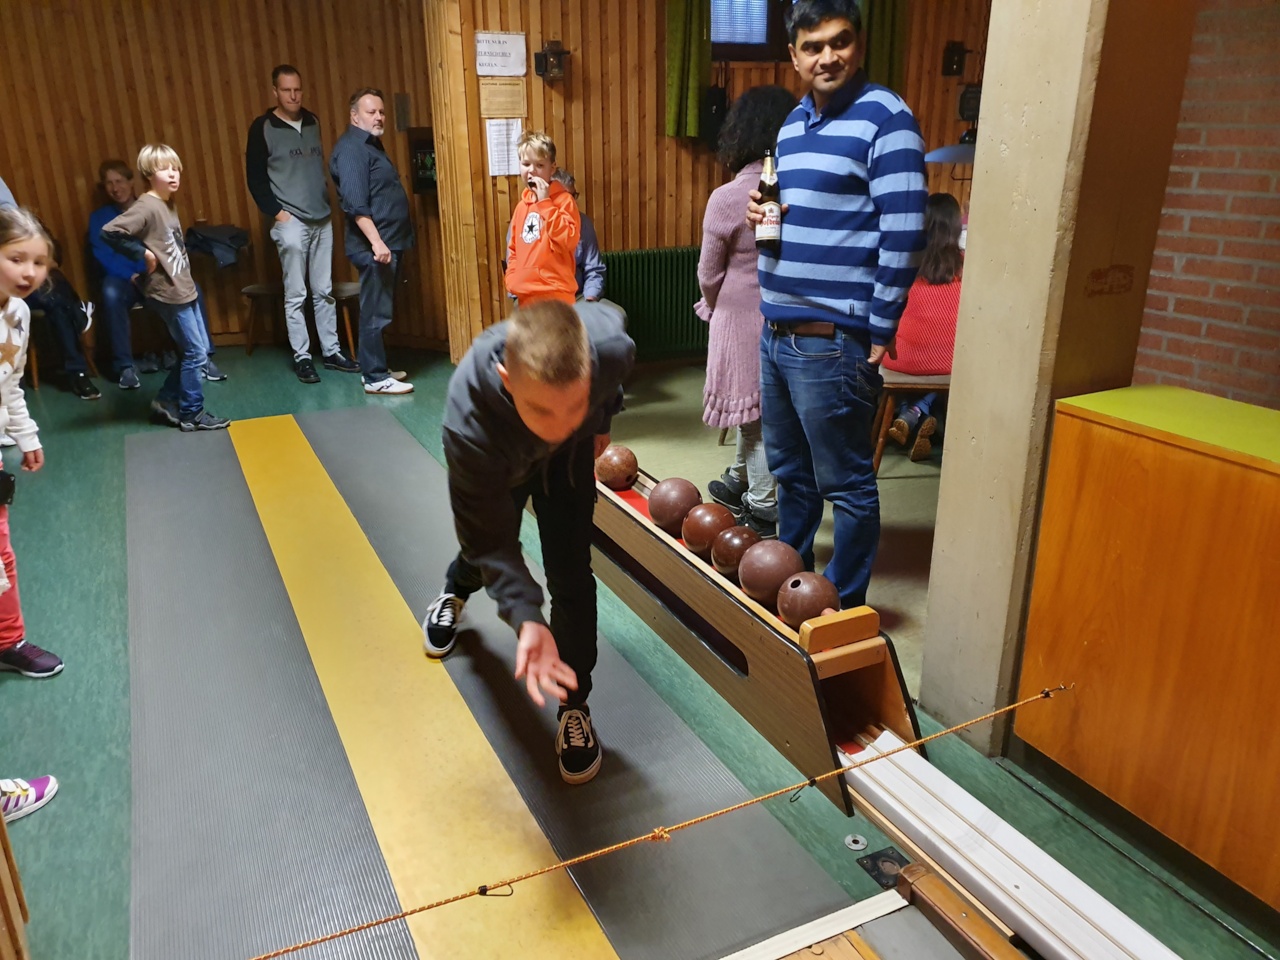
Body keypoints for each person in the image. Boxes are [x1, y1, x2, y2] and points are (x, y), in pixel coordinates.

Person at [747, 0, 927, 609]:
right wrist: (761, 216)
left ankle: (838, 609)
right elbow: (794, 214)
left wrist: (881, 325)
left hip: (831, 340)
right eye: (813, 46)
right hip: (775, 332)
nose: (827, 57)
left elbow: (905, 229)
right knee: (790, 476)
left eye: (839, 41)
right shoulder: (793, 124)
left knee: (846, 485)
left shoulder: (886, 117)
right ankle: (789, 591)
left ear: (860, 44)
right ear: (793, 57)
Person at [423, 300, 635, 785]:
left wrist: (600, 418)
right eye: (542, 409)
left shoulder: (608, 348)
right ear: (506, 378)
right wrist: (526, 616)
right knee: (482, 550)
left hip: (570, 463)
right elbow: (490, 540)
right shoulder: (468, 423)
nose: (558, 425)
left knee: (572, 573)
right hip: (505, 457)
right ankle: (455, 591)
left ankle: (574, 704)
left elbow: (612, 370)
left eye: (573, 406)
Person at [697, 85, 797, 540]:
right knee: (753, 403)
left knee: (753, 418)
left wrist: (713, 304)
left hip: (737, 314)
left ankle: (762, 508)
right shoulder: (795, 191)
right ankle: (739, 478)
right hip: (785, 313)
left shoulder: (727, 196)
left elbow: (708, 272)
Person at [101, 145, 231, 431]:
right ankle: (191, 413)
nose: (172, 174)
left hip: (183, 286)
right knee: (196, 352)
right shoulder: (147, 206)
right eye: (164, 169)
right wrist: (142, 254)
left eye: (175, 168)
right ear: (149, 174)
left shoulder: (167, 202)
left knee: (192, 352)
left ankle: (166, 400)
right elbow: (110, 232)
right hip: (168, 291)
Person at [246, 65, 359, 384]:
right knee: (296, 293)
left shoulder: (312, 121)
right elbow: (255, 178)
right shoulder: (262, 127)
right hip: (290, 221)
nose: (293, 96)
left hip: (322, 217)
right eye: (286, 90)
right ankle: (302, 357)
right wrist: (278, 214)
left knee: (324, 291)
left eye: (297, 90)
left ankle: (332, 352)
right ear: (275, 92)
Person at [0, 207, 65, 678]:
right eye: (16, 259)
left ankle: (9, 641)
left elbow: (10, 382)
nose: (29, 272)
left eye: (39, 262)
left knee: (1, 552)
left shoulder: (19, 314)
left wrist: (26, 434)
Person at [329, 87, 414, 395]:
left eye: (381, 112)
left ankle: (375, 368)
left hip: (388, 241)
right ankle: (375, 377)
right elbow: (356, 205)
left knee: (379, 309)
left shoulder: (370, 145)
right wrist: (377, 243)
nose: (379, 117)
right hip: (375, 246)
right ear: (355, 116)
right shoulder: (352, 149)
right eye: (371, 112)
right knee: (375, 311)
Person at [883, 192, 964, 462]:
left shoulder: (904, 261)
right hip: (950, 362)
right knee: (946, 360)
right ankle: (918, 411)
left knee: (893, 350)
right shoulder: (968, 265)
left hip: (902, 360)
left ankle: (909, 413)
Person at [505, 131, 580, 308]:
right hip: (525, 296)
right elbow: (513, 249)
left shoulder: (564, 201)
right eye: (526, 164)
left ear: (552, 168)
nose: (531, 170)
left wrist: (545, 202)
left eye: (539, 165)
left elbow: (568, 241)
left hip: (556, 296)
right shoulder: (521, 207)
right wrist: (513, 279)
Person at [22, 237, 101, 400]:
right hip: (13, 292)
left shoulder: (28, 229)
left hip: (39, 284)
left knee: (57, 302)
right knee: (57, 299)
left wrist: (42, 262)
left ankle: (78, 373)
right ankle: (79, 312)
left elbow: (54, 257)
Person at [549, 170, 605, 302]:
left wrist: (590, 297)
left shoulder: (583, 223)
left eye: (574, 196)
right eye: (566, 196)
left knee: (614, 313)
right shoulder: (530, 220)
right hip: (539, 299)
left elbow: (594, 269)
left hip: (576, 295)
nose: (572, 202)